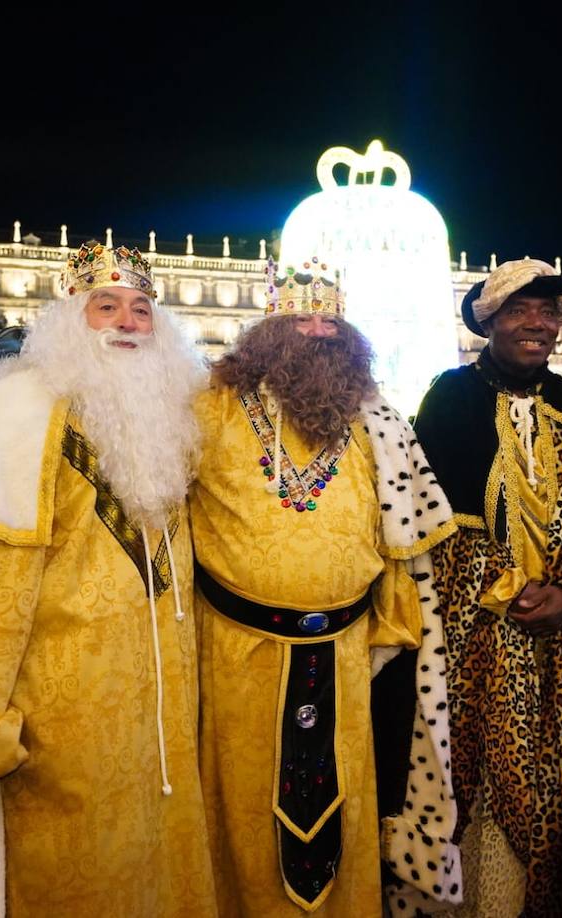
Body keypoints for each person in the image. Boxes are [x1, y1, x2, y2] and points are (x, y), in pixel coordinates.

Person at [0, 242, 217, 916]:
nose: (127, 321)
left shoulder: (170, 422)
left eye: (141, 309)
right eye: (106, 306)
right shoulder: (15, 417)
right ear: (70, 319)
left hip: (161, 731)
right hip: (55, 740)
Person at [190, 258, 458, 915]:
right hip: (235, 657)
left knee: (342, 805)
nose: (316, 330)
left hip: (345, 658)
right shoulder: (209, 404)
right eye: (300, 316)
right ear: (269, 326)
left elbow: (407, 535)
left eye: (328, 318)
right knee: (243, 807)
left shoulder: (374, 416)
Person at [408, 259, 562, 917]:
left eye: (549, 311)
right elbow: (429, 534)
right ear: (489, 320)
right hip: (472, 639)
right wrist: (500, 588)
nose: (537, 323)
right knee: (469, 773)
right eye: (520, 310)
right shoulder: (450, 399)